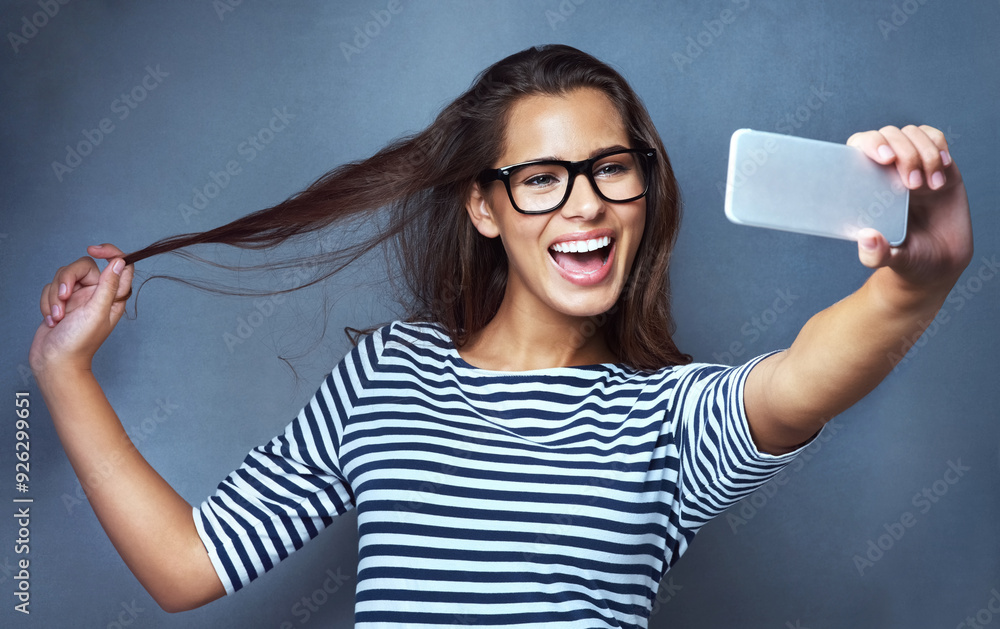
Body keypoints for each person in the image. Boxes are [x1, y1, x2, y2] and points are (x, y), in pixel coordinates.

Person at [29, 45, 971, 627]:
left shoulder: (663, 415)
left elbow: (805, 377)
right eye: (541, 178)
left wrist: (921, 275)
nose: (586, 206)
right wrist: (62, 371)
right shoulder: (386, 376)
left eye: (611, 168)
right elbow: (189, 565)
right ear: (485, 207)